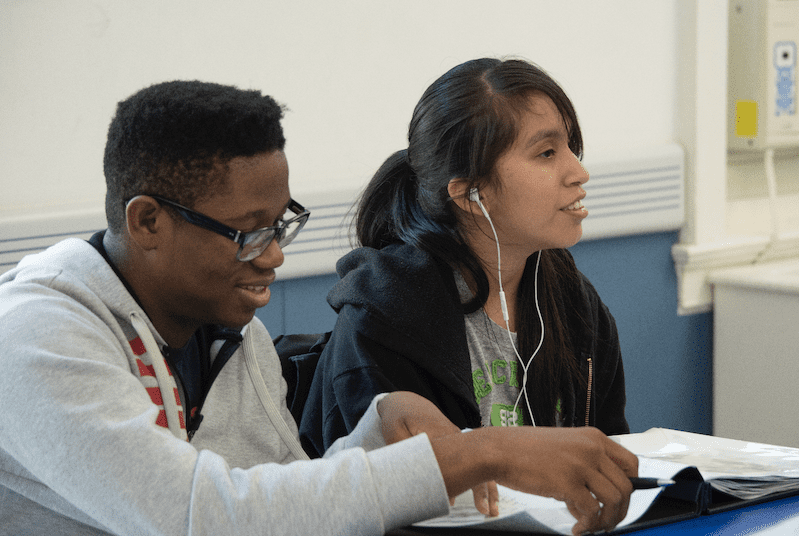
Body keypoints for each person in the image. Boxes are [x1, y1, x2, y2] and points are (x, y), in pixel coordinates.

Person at [0, 79, 636, 536]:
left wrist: (371, 438)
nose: (274, 257)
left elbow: (283, 500)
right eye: (250, 232)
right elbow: (197, 516)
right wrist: (478, 451)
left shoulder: (228, 330)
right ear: (147, 222)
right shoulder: (36, 335)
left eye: (282, 226)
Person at [300, 57, 628, 463]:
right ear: (472, 193)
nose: (579, 172)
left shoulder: (574, 302)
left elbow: (610, 452)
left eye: (570, 148)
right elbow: (380, 492)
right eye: (546, 153)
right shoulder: (387, 317)